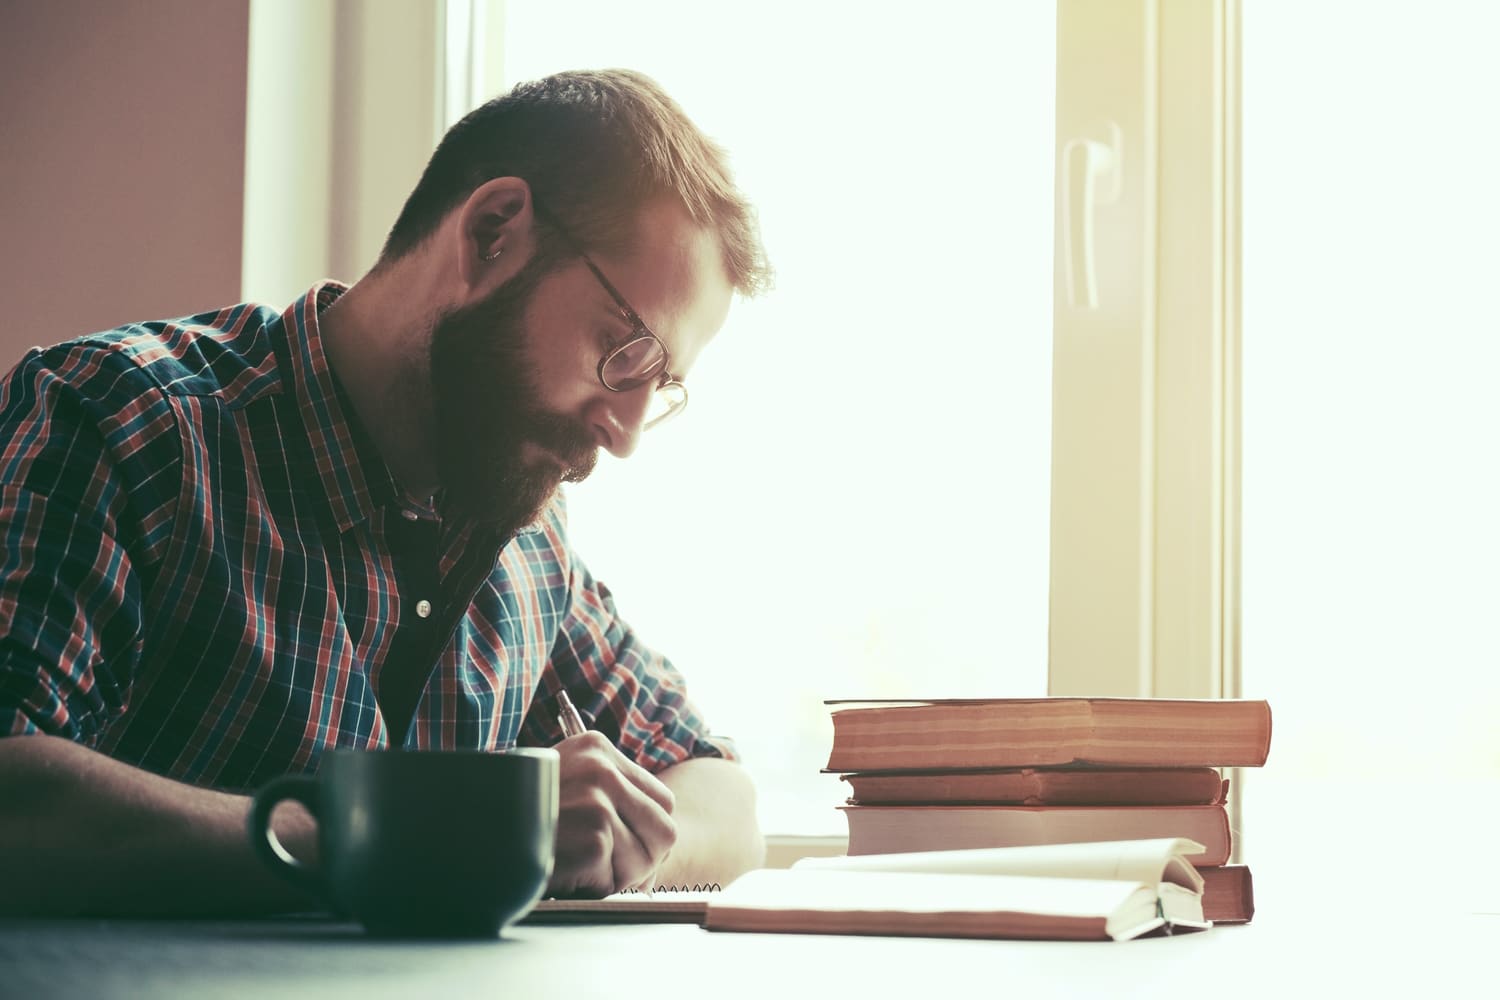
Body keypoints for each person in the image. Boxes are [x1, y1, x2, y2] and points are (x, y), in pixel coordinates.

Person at [0, 69, 772, 916]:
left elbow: (725, 803)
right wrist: (417, 834)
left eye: (658, 387)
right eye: (624, 352)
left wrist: (604, 847)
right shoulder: (122, 422)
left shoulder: (527, 540)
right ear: (491, 235)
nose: (624, 434)